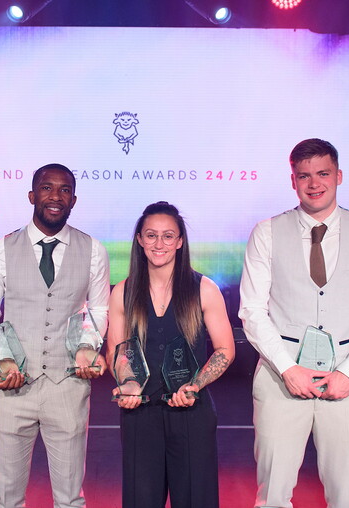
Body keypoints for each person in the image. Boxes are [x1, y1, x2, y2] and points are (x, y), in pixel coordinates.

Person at [239, 138, 349, 508]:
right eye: (304, 175)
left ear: (338, 176)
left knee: (346, 496)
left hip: (347, 375)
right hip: (281, 375)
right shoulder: (266, 232)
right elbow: (252, 311)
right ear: (292, 181)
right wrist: (288, 368)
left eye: (323, 173)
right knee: (273, 495)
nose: (314, 183)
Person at [0, 163, 110, 508]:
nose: (55, 196)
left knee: (69, 498)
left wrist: (86, 348)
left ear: (74, 200)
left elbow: (98, 310)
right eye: (47, 188)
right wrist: (3, 360)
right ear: (32, 196)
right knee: (7, 498)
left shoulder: (93, 250)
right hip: (13, 387)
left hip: (68, 386)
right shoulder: (1, 251)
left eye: (64, 190)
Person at [106, 201, 236, 508]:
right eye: (151, 235)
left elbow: (225, 350)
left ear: (179, 241)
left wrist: (195, 386)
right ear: (139, 239)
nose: (159, 243)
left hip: (191, 412)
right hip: (140, 412)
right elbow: (117, 350)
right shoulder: (122, 291)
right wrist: (128, 385)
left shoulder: (204, 289)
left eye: (168, 236)